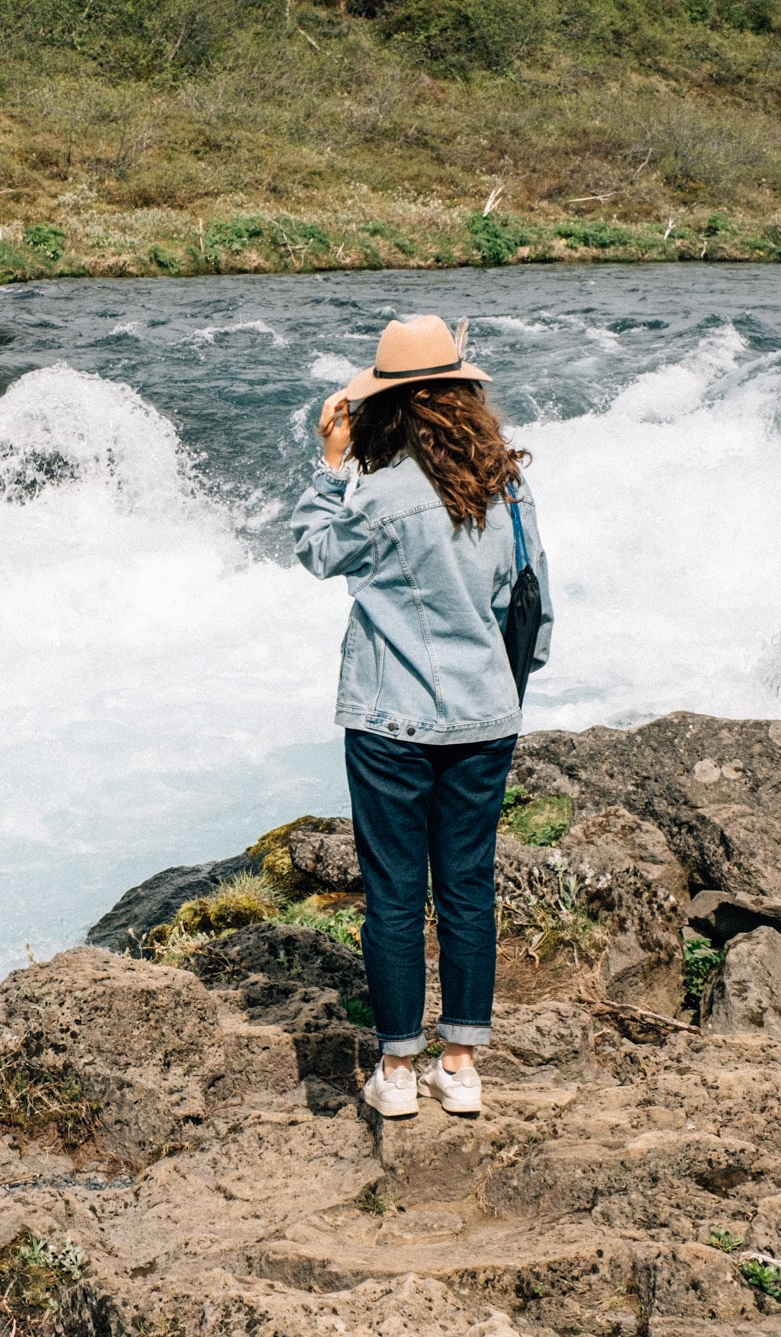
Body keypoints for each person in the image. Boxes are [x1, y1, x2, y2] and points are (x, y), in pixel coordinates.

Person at [291, 314, 552, 1120]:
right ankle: (462, 1065)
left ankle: (398, 1073)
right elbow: (534, 604)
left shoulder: (380, 494)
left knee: (395, 895)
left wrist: (332, 465)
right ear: (464, 397)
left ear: (388, 407)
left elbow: (313, 549)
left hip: (387, 723)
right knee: (469, 888)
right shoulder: (508, 487)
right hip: (486, 716)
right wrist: (503, 690)